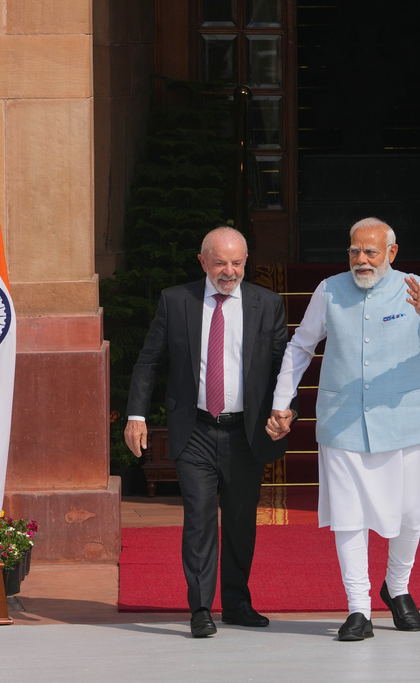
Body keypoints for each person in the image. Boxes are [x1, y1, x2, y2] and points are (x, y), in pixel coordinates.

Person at [266, 217, 420, 641]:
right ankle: (358, 608)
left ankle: (397, 587)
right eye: (355, 251)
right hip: (342, 423)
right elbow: (301, 346)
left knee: (411, 513)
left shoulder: (415, 286)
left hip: (406, 422)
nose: (361, 260)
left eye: (370, 252)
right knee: (348, 517)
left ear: (391, 253)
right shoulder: (329, 290)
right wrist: (281, 401)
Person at [124, 226, 292, 638]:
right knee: (199, 520)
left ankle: (236, 603)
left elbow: (284, 367)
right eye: (220, 263)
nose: (229, 271)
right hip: (195, 428)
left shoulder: (266, 304)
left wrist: (285, 410)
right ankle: (200, 607)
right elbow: (149, 362)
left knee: (239, 521)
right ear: (203, 262)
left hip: (246, 432)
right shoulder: (176, 300)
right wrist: (136, 415)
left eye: (237, 263)